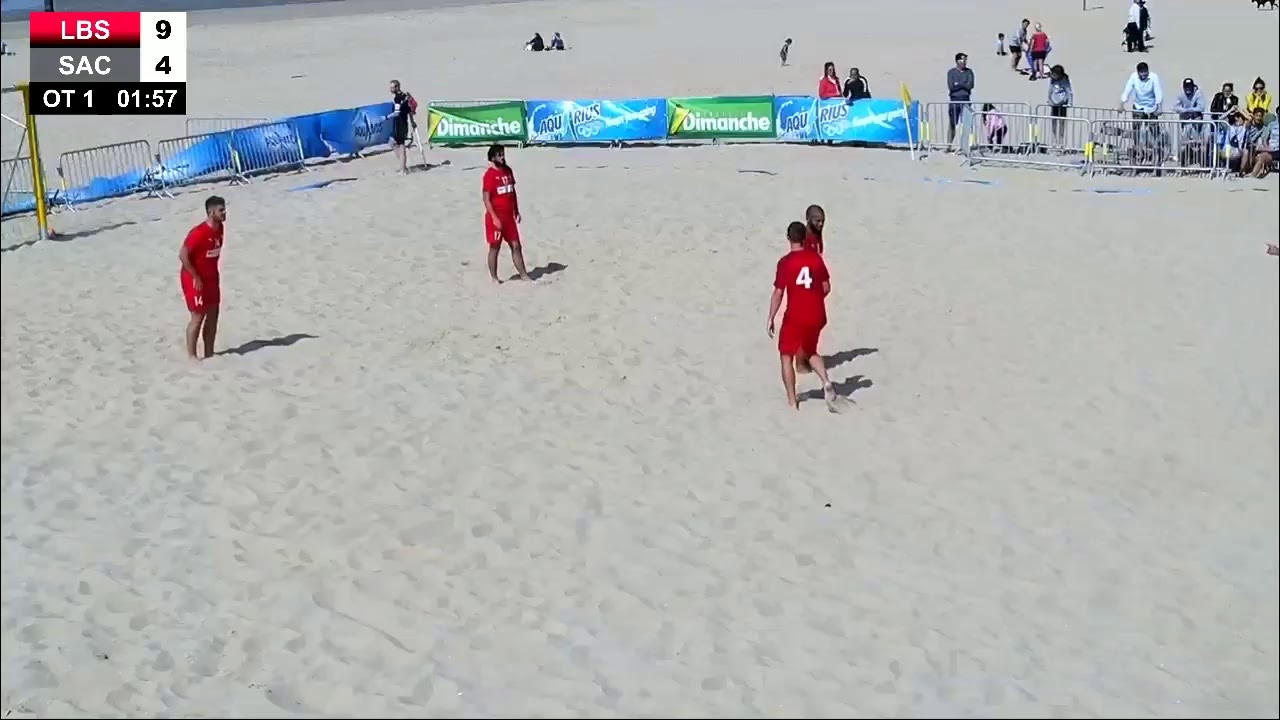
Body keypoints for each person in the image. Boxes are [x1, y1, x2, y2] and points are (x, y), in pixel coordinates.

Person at [767, 221, 837, 411]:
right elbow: (826, 287)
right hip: (817, 313)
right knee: (810, 350)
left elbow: (779, 293)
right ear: (804, 238)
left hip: (796, 316)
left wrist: (771, 317)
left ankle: (792, 401)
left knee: (786, 356)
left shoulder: (785, 262)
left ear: (788, 238)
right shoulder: (815, 259)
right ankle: (826, 381)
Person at [179, 196, 227, 360]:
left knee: (213, 314)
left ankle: (209, 354)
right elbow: (183, 255)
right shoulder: (198, 233)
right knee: (198, 316)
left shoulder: (220, 227)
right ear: (211, 212)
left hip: (212, 277)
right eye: (221, 210)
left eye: (224, 209)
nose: (224, 213)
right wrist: (196, 276)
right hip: (194, 278)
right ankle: (192, 356)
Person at [482, 144, 532, 284]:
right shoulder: (489, 175)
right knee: (494, 247)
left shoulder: (508, 171)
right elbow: (486, 199)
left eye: (503, 154)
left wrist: (516, 211)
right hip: (496, 217)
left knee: (516, 245)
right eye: (499, 155)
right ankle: (494, 277)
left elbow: (512, 192)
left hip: (509, 217)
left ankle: (523, 275)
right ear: (493, 157)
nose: (502, 157)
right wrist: (494, 218)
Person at [386, 79, 416, 175]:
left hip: (401, 123)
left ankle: (403, 169)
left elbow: (397, 113)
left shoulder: (399, 98)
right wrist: (412, 121)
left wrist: (386, 117)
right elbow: (410, 111)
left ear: (397, 87)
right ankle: (403, 165)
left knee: (401, 145)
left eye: (393, 87)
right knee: (392, 143)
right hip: (401, 123)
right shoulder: (405, 97)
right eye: (390, 87)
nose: (391, 89)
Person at [946, 52, 975, 146]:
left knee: (967, 124)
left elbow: (970, 85)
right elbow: (951, 86)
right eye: (963, 59)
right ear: (958, 61)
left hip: (966, 99)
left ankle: (966, 145)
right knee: (952, 123)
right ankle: (949, 145)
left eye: (965, 60)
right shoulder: (951, 72)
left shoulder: (969, 72)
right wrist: (963, 85)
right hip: (954, 100)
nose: (965, 62)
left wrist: (958, 84)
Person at [1047, 64, 1074, 147]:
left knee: (1062, 122)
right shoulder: (1052, 79)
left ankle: (1061, 140)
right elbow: (1050, 89)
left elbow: (1069, 91)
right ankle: (1054, 139)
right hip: (1054, 102)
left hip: (1062, 103)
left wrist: (1070, 102)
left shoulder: (1065, 79)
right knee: (1054, 122)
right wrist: (1049, 99)